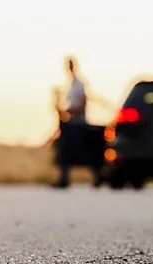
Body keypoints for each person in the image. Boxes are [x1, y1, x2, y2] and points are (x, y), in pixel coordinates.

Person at [53, 56, 102, 188]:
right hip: (70, 122)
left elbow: (82, 102)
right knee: (65, 151)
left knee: (80, 152)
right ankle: (64, 179)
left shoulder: (79, 83)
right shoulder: (69, 84)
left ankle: (97, 175)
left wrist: (73, 112)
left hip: (78, 123)